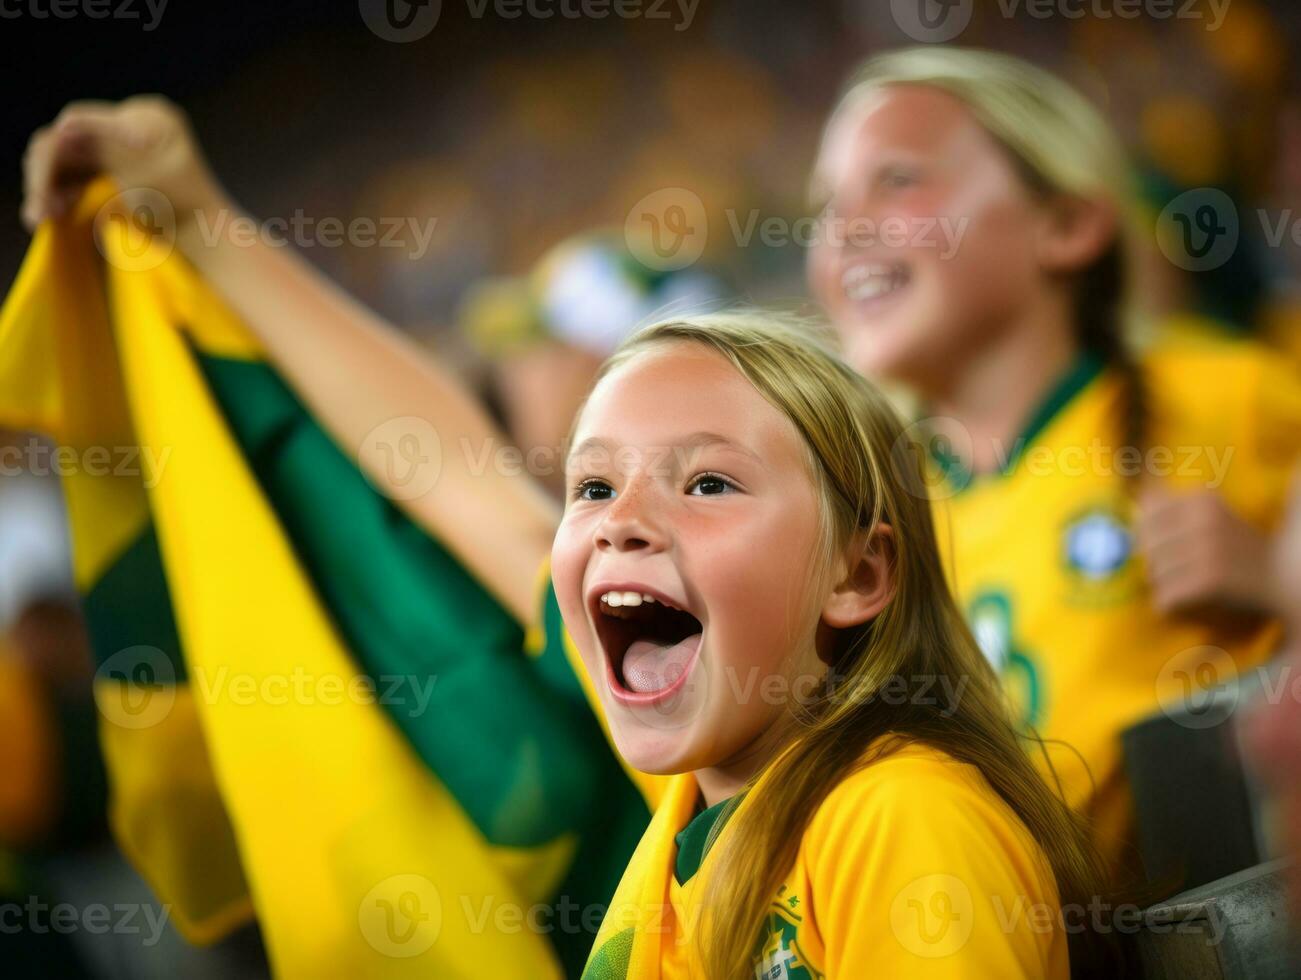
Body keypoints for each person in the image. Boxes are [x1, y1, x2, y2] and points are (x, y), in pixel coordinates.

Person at [805, 47, 1301, 880]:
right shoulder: (857, 522)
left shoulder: (1224, 400)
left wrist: (1269, 579)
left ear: (1065, 224)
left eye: (895, 180)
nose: (843, 228)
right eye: (824, 205)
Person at [551, 311, 1122, 977]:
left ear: (856, 574)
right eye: (594, 487)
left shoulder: (904, 817)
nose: (619, 523)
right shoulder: (689, 824)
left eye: (707, 483)